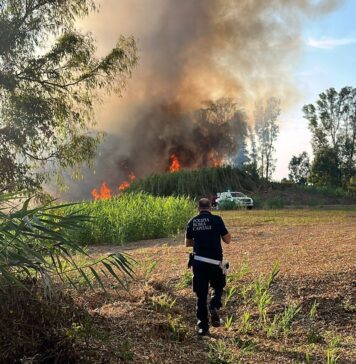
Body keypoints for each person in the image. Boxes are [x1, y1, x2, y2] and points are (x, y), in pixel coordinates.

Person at [185, 197, 231, 335]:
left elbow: (188, 243)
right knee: (218, 286)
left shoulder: (192, 222)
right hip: (215, 263)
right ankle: (214, 306)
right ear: (211, 207)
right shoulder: (217, 220)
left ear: (198, 208)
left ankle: (202, 327)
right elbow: (227, 239)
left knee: (201, 295)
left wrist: (200, 241)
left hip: (198, 262)